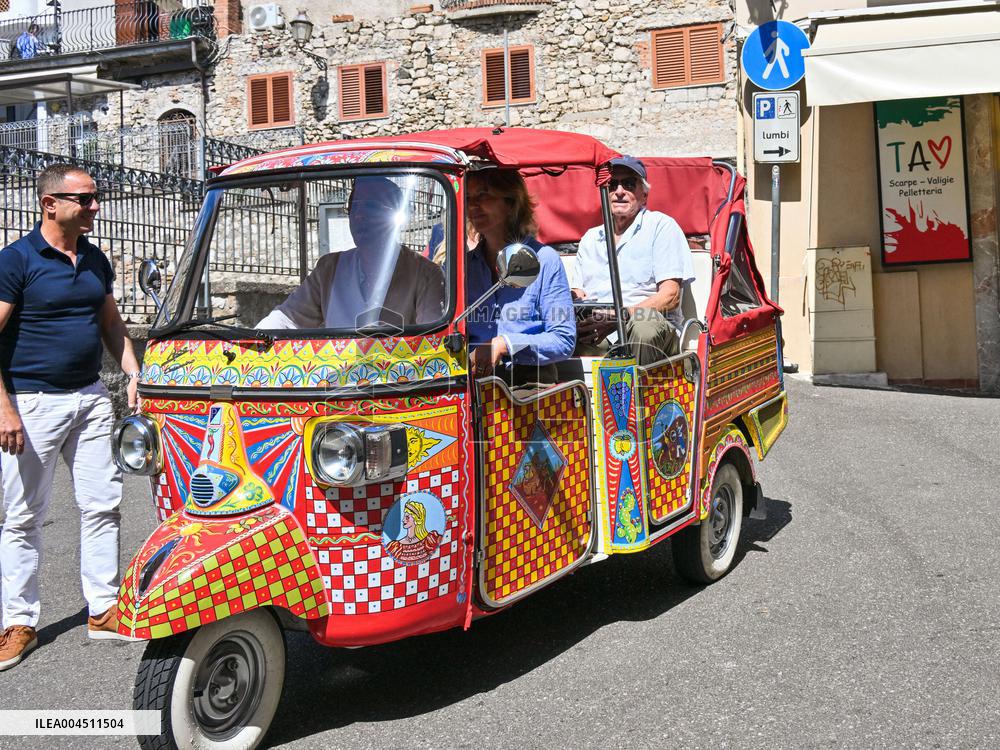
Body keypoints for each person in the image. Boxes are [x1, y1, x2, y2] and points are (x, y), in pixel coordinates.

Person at [0, 164, 140, 671]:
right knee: (22, 516)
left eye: (95, 197)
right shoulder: (16, 261)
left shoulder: (95, 258)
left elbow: (111, 324)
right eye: (84, 199)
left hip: (90, 397)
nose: (94, 206)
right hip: (31, 402)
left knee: (103, 504)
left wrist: (133, 372)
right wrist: (5, 408)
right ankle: (18, 623)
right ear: (50, 203)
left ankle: (103, 609)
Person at [257, 176, 444, 330]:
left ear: (394, 216)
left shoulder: (425, 274)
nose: (359, 215)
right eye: (355, 207)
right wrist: (252, 340)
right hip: (335, 365)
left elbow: (432, 337)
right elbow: (288, 317)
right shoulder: (329, 269)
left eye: (371, 207)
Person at [572, 156, 694, 366]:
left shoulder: (661, 226)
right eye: (612, 185)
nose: (619, 191)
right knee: (556, 330)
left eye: (628, 184)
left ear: (644, 195)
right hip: (599, 329)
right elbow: (579, 292)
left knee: (642, 325)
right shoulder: (591, 238)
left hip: (648, 327)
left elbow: (670, 296)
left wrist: (620, 317)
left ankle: (634, 388)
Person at [464, 169, 574, 384]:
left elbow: (563, 340)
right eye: (468, 198)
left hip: (529, 382)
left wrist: (504, 344)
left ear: (511, 203)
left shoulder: (545, 259)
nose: (473, 205)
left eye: (483, 195)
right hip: (472, 381)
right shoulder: (465, 266)